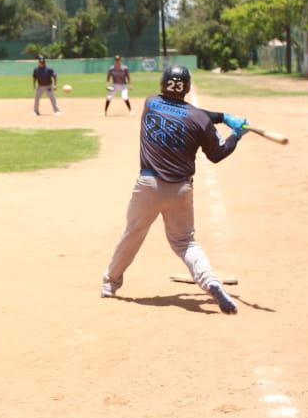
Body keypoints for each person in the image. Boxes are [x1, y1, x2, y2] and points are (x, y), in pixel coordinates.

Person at [101, 65, 248, 313]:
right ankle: (210, 281)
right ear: (187, 87)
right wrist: (235, 134)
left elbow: (185, 112)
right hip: (180, 190)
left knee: (133, 234)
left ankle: (110, 284)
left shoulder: (150, 103)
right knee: (185, 243)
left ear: (163, 84)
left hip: (147, 186)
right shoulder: (198, 119)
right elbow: (217, 153)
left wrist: (221, 116)